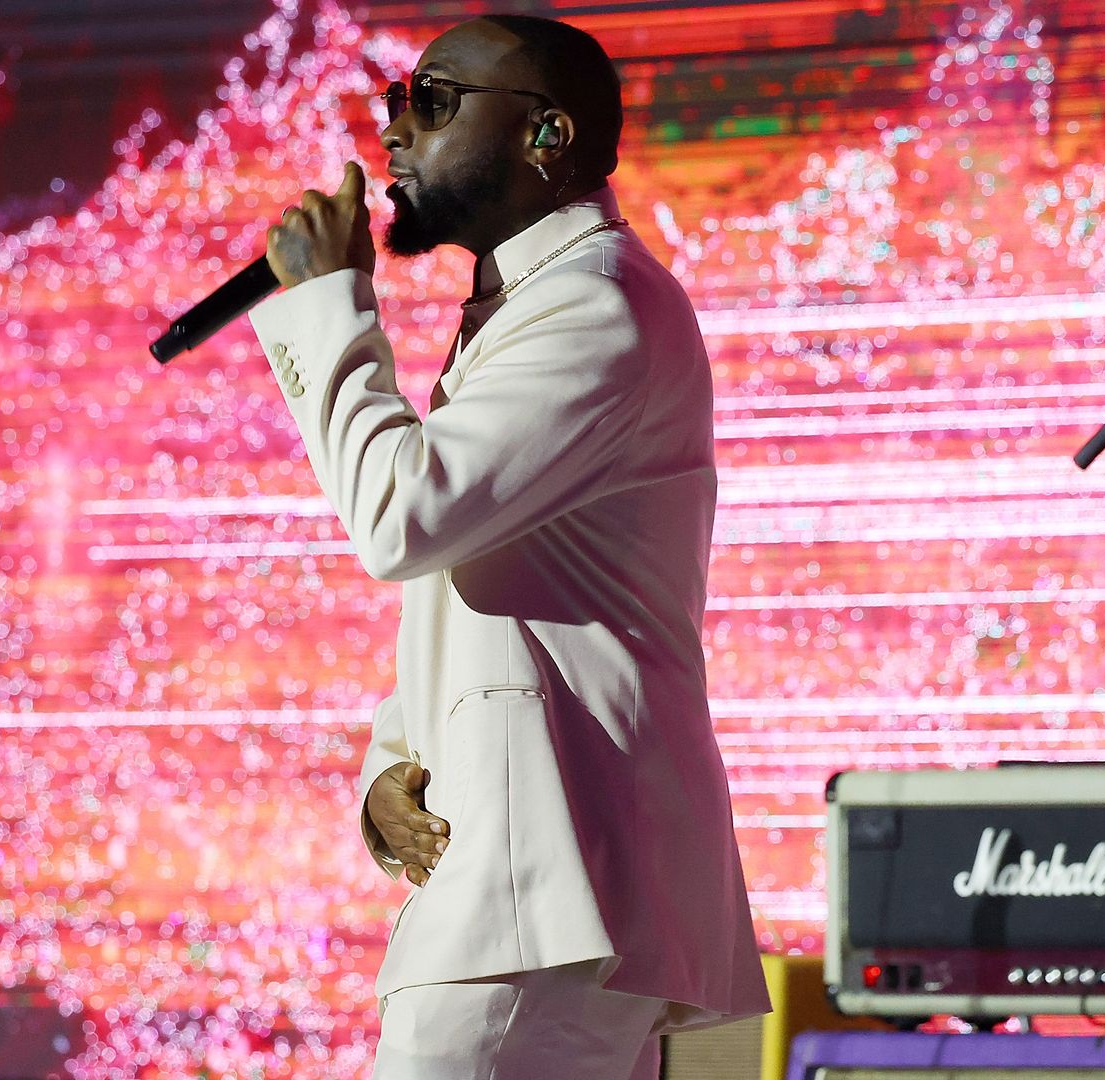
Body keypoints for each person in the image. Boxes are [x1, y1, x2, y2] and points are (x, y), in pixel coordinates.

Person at [250, 14, 769, 1079]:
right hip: (533, 876)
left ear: (547, 138)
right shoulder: (536, 304)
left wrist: (324, 305)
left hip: (552, 875)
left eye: (432, 102)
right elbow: (491, 580)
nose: (394, 132)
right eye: (398, 100)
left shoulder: (596, 307)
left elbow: (402, 518)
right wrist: (394, 763)